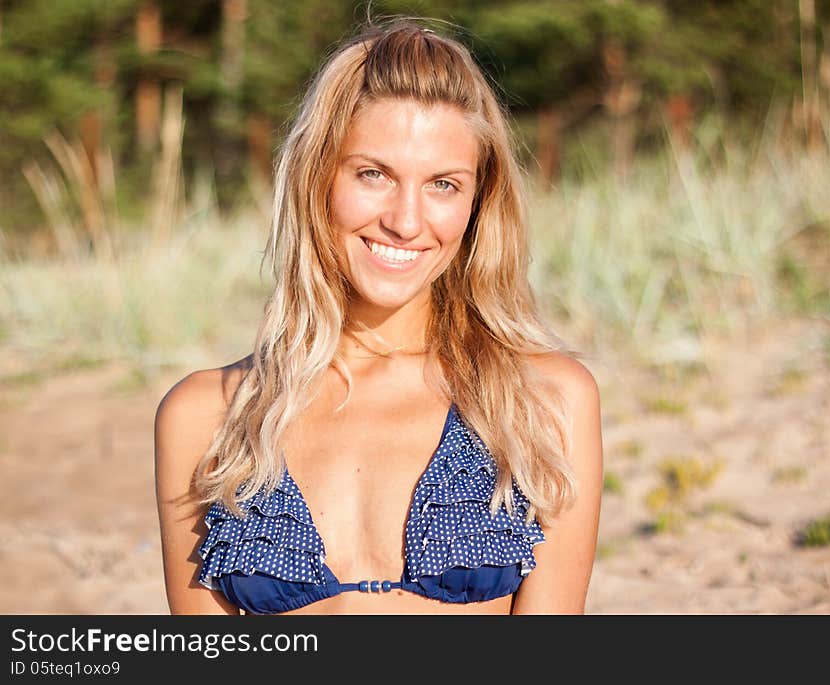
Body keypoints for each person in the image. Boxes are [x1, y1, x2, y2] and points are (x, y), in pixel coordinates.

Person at [154, 17, 603, 616]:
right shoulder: (208, 416)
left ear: (477, 203)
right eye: (374, 175)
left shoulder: (540, 402)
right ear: (319, 180)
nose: (406, 221)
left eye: (443, 184)